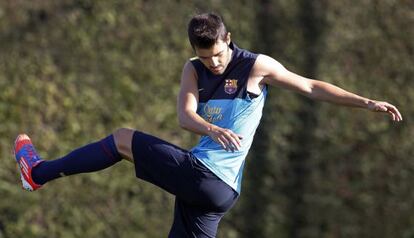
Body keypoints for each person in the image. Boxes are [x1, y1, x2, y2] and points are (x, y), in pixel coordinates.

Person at [13, 12, 402, 238]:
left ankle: (38, 173)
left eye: (218, 55)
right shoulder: (193, 69)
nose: (214, 64)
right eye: (206, 57)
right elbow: (185, 117)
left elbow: (312, 86)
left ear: (227, 40)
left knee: (122, 140)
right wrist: (212, 129)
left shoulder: (256, 66)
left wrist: (366, 102)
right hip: (214, 192)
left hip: (210, 178)